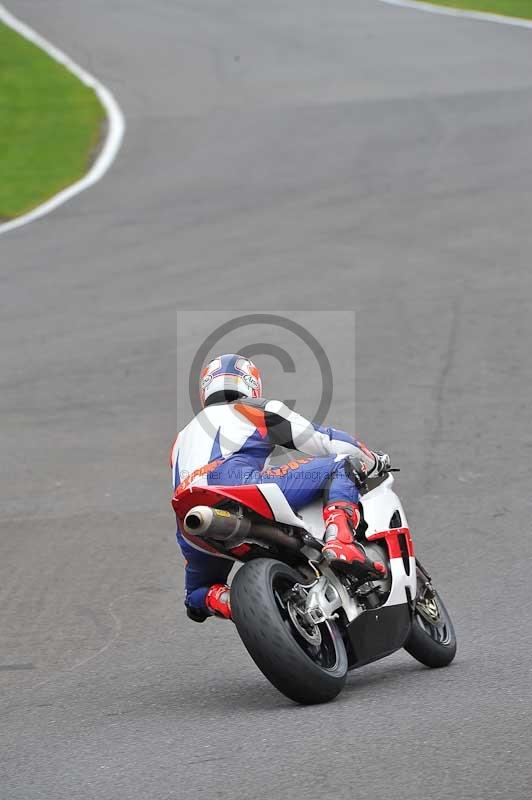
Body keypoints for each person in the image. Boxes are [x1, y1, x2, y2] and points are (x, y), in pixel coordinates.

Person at [170, 354, 390, 622]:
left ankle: (229, 603)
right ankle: (340, 540)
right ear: (250, 384)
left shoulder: (181, 438)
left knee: (195, 594)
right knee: (341, 464)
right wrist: (372, 459)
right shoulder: (253, 409)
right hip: (235, 483)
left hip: (188, 512)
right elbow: (322, 440)